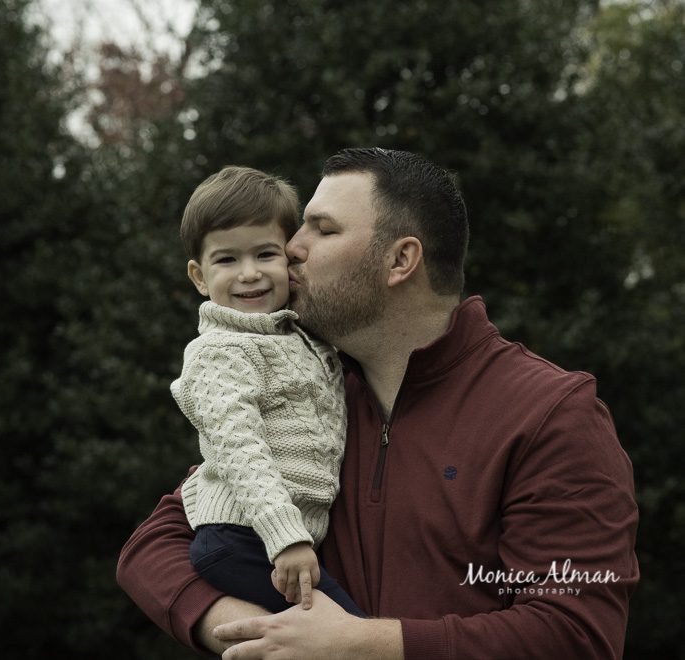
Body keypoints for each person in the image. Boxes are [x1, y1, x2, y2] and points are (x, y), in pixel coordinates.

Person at [117, 148, 639, 660]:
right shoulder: (311, 393)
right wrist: (270, 640)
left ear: (400, 260)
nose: (290, 247)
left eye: (322, 229)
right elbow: (152, 547)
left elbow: (575, 635)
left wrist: (360, 646)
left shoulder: (549, 413)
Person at [171, 165, 364, 617]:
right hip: (248, 538)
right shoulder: (218, 352)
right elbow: (240, 448)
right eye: (227, 260)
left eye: (265, 254)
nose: (249, 274)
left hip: (280, 536)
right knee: (347, 632)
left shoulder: (300, 337)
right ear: (199, 276)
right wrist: (286, 537)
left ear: (290, 258)